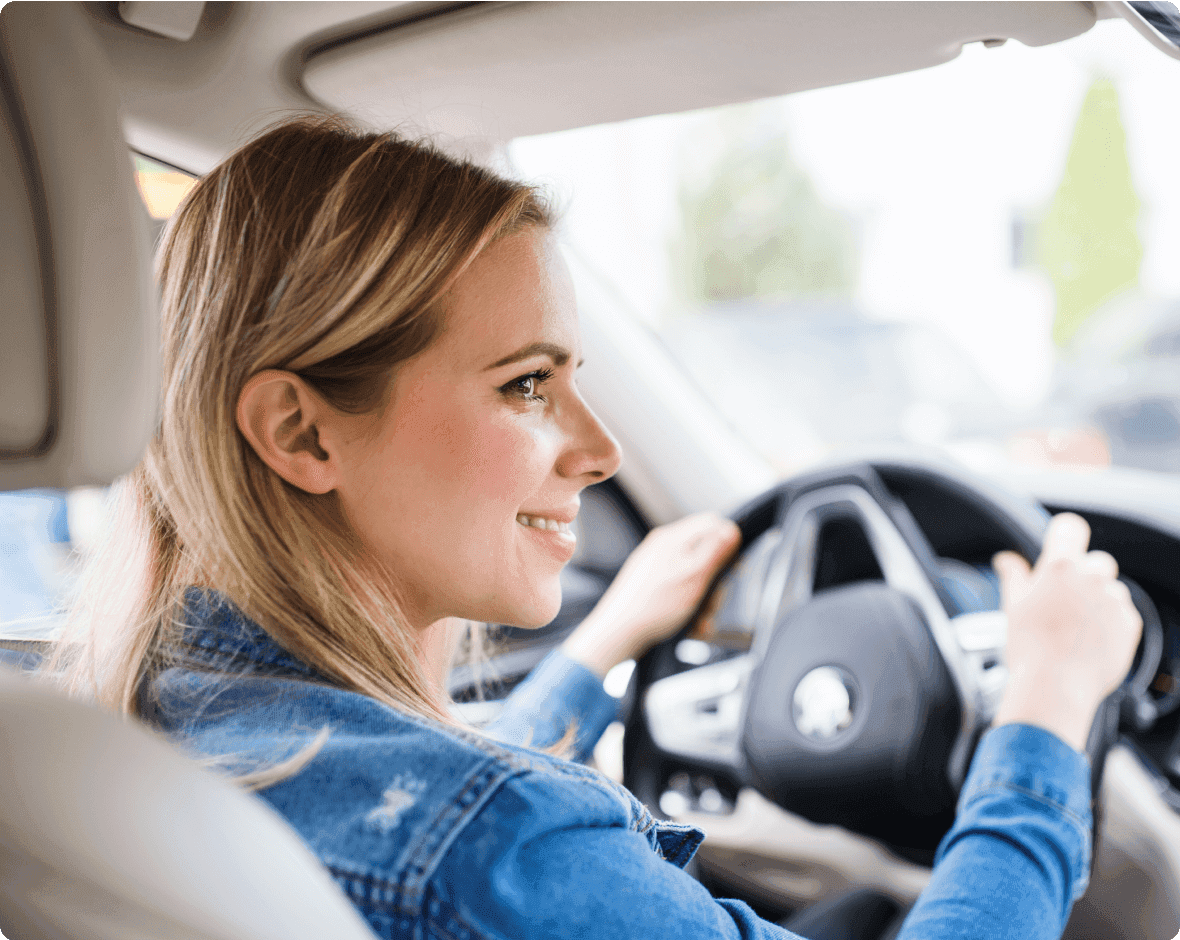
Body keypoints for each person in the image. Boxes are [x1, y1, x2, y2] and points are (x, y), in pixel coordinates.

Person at [55, 116, 1142, 940]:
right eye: (528, 385)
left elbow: (415, 795)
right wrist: (1045, 710)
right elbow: (476, 839)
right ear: (300, 431)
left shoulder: (137, 718)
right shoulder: (499, 848)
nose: (602, 450)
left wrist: (600, 645)